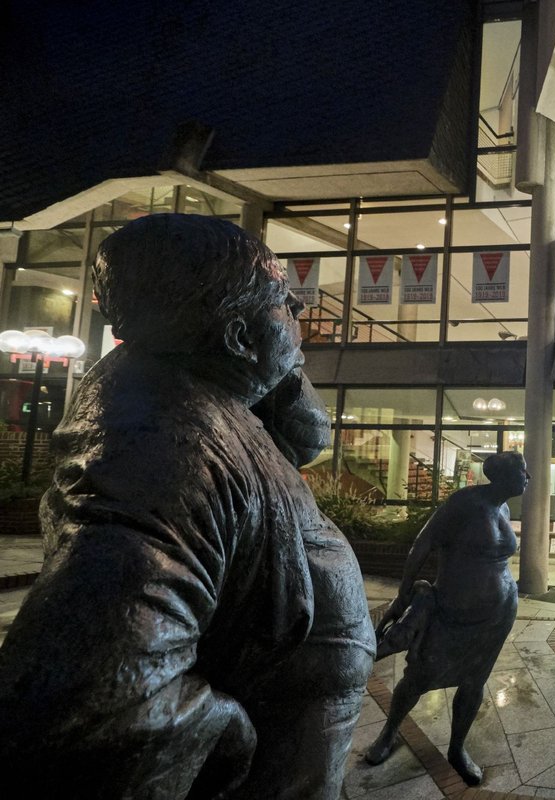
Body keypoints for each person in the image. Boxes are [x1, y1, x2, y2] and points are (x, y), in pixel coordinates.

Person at [0, 214, 375, 798]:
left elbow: (305, 439)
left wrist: (273, 365)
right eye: (282, 299)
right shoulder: (159, 450)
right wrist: (230, 736)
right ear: (232, 336)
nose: (300, 311)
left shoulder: (208, 391)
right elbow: (89, 705)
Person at [366, 450, 528, 785]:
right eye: (523, 471)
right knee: (420, 677)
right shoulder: (464, 503)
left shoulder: (504, 508)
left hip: (496, 616)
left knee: (474, 681)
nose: (529, 478)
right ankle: (389, 732)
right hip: (453, 611)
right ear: (503, 476)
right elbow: (422, 543)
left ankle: (457, 748)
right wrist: (403, 593)